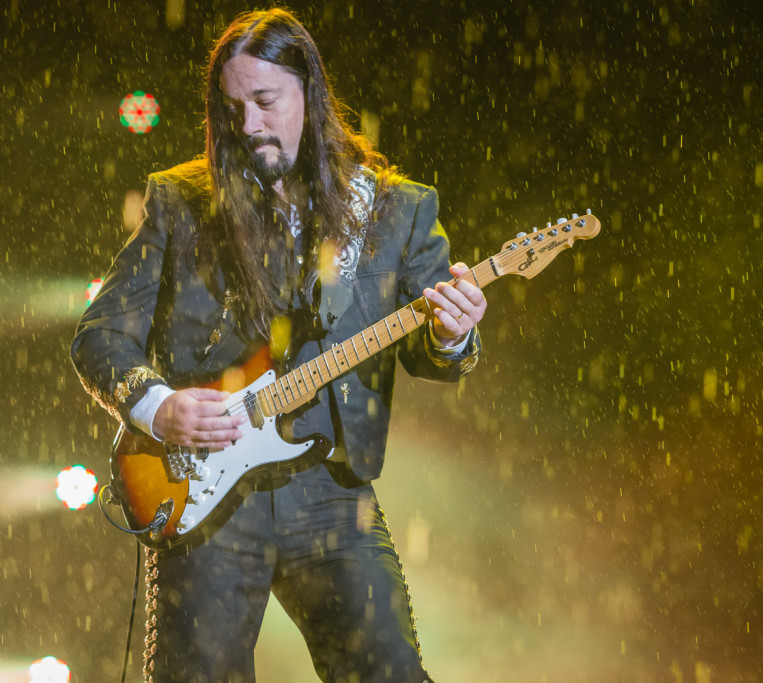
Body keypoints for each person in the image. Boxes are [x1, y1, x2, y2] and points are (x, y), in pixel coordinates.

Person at [71, 8, 485, 682]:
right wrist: (157, 407)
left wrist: (452, 331)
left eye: (266, 101)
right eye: (232, 107)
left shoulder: (397, 209)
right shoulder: (180, 202)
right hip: (204, 500)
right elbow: (100, 335)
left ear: (310, 95)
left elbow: (435, 352)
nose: (249, 124)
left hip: (330, 491)